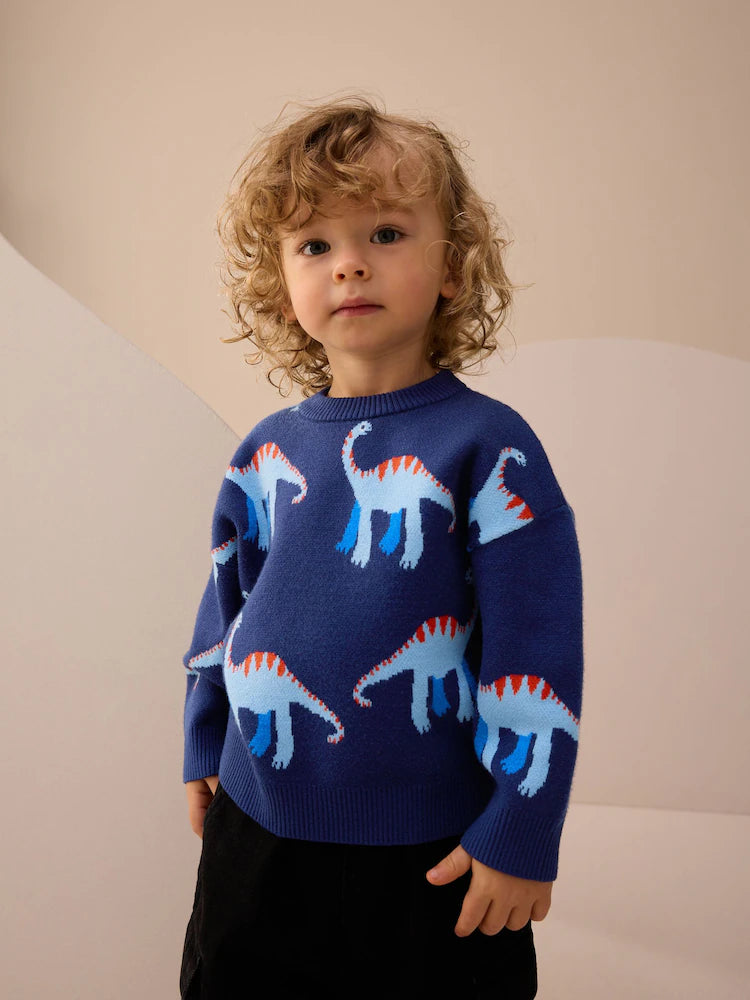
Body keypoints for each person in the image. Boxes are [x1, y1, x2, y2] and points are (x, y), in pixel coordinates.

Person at [179, 94, 584, 1000]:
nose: (350, 262)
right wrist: (203, 738)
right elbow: (226, 605)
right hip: (257, 828)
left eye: (387, 234)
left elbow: (538, 652)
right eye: (314, 244)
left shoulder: (490, 447)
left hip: (431, 853)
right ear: (281, 281)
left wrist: (522, 831)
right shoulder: (266, 452)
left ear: (453, 267)